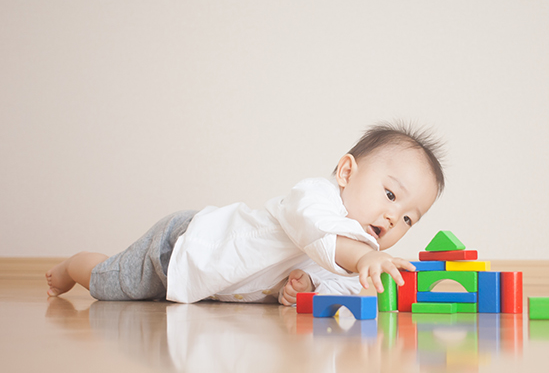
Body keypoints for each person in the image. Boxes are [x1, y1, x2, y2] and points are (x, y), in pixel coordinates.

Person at [46, 121, 446, 306]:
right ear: (345, 172)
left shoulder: (350, 254)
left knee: (135, 294)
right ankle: (72, 267)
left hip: (207, 285)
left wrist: (306, 287)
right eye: (391, 194)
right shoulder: (315, 198)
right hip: (183, 246)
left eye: (410, 218)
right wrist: (366, 257)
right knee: (111, 284)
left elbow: (337, 281)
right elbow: (318, 232)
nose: (395, 218)